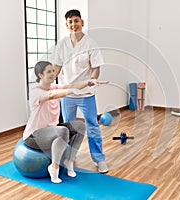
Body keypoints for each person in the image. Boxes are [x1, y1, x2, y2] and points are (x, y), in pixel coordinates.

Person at [53, 9, 108, 173]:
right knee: (68, 128)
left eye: (76, 21)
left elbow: (95, 69)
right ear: (66, 25)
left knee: (92, 126)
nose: (73, 25)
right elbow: (57, 67)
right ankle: (70, 156)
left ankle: (99, 160)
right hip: (68, 93)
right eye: (70, 22)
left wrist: (92, 80)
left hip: (86, 94)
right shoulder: (62, 44)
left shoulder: (90, 43)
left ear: (82, 22)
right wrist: (48, 82)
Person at [23, 61, 95, 183]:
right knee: (63, 131)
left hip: (51, 130)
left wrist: (89, 82)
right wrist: (71, 92)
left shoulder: (53, 87)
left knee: (79, 126)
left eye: (53, 71)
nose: (53, 73)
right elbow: (51, 95)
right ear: (40, 75)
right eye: (49, 71)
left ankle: (69, 161)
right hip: (34, 136)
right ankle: (54, 167)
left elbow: (71, 85)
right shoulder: (35, 90)